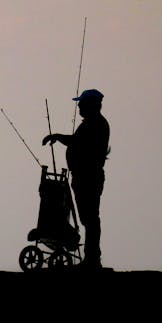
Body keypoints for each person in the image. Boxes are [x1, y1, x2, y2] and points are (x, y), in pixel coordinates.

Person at [43, 88, 110, 269]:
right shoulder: (93, 123)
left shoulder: (94, 124)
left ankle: (92, 260)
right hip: (84, 177)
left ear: (92, 105)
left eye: (82, 103)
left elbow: (76, 141)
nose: (79, 106)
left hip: (88, 178)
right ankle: (92, 259)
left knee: (90, 219)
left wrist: (57, 136)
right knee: (89, 219)